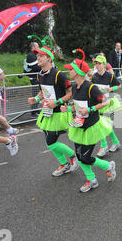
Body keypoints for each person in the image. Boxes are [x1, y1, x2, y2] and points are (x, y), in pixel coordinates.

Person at [62, 55, 117, 193]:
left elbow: (105, 102)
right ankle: (91, 179)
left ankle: (108, 166)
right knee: (79, 155)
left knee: (85, 157)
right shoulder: (74, 87)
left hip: (91, 126)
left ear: (79, 72)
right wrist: (68, 108)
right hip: (78, 126)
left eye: (71, 69)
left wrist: (90, 109)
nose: (69, 71)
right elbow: (76, 106)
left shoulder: (91, 87)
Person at [27, 45, 78, 177]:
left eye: (41, 56)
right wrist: (36, 99)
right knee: (50, 141)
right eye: (37, 56)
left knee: (50, 142)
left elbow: (70, 92)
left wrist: (57, 102)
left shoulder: (58, 75)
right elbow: (43, 92)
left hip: (59, 113)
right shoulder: (40, 75)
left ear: (49, 58)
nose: (38, 58)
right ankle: (64, 164)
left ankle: (73, 156)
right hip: (47, 112)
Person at [91, 55, 122, 157]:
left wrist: (111, 89)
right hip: (99, 103)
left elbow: (119, 85)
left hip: (109, 103)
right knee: (104, 125)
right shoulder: (94, 76)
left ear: (104, 64)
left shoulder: (109, 75)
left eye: (99, 63)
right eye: (96, 63)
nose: (97, 65)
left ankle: (104, 146)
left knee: (101, 125)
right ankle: (116, 142)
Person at [23, 41, 42, 116]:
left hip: (38, 77)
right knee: (36, 93)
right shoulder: (30, 55)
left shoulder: (35, 55)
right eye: (37, 47)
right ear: (33, 48)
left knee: (38, 93)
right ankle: (33, 111)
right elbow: (35, 67)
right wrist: (42, 67)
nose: (39, 48)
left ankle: (35, 110)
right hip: (34, 78)